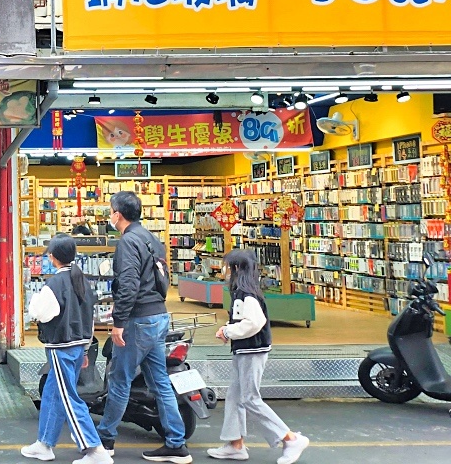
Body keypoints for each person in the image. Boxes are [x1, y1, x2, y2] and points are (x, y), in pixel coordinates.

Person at [97, 191, 191, 464]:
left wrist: (119, 322)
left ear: (118, 214)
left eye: (111, 211)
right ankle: (176, 443)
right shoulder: (152, 239)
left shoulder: (127, 242)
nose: (110, 215)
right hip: (158, 315)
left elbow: (128, 285)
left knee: (119, 378)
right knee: (160, 382)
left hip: (138, 320)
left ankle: (105, 440)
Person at [208, 250, 308, 464]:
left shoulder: (246, 294)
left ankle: (289, 438)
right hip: (246, 349)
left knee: (249, 398)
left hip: (252, 350)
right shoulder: (244, 291)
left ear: (235, 268)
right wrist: (229, 330)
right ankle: (235, 444)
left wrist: (228, 332)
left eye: (226, 266)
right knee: (236, 395)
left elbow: (254, 322)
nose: (223, 270)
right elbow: (245, 320)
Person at [23, 235, 110, 464]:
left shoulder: (55, 284)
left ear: (52, 257)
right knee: (53, 392)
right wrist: (85, 347)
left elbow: (40, 313)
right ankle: (44, 443)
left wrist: (33, 301)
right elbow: (89, 317)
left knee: (68, 397)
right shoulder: (81, 280)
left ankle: (94, 449)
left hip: (60, 346)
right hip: (79, 344)